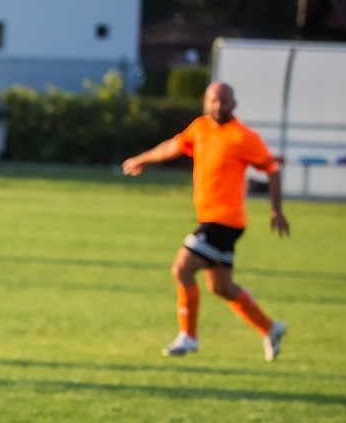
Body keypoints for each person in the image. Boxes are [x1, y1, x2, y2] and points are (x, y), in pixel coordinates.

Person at [123, 81, 290, 361]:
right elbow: (171, 147)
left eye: (223, 101)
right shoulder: (200, 128)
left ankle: (189, 336)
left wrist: (276, 210)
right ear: (205, 101)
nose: (217, 106)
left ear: (234, 105)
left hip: (224, 221)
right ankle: (270, 328)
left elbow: (272, 169)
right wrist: (143, 159)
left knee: (181, 269)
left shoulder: (244, 137)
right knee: (220, 287)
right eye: (213, 100)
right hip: (211, 219)